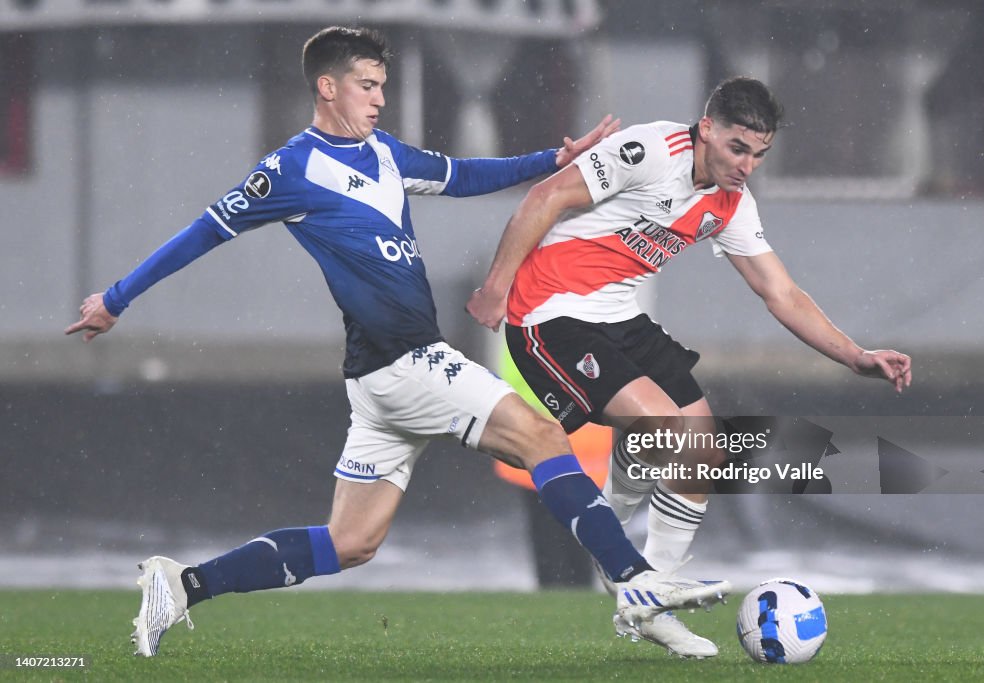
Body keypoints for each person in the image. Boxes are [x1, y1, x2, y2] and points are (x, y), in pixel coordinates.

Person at [64, 26, 730, 658]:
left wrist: (552, 160)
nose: (380, 98)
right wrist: (114, 299)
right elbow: (202, 231)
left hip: (376, 380)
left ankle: (181, 585)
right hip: (408, 361)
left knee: (352, 541)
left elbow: (464, 174)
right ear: (326, 88)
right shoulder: (289, 170)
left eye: (382, 85)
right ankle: (636, 578)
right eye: (367, 85)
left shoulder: (385, 154)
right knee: (545, 438)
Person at [466, 76, 913, 657]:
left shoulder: (731, 203)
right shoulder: (651, 151)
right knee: (666, 432)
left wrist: (855, 355)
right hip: (548, 313)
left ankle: (649, 596)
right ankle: (621, 538)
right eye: (736, 147)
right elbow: (544, 198)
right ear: (706, 129)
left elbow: (780, 293)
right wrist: (496, 289)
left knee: (705, 453)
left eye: (758, 154)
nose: (746, 164)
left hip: (618, 319)